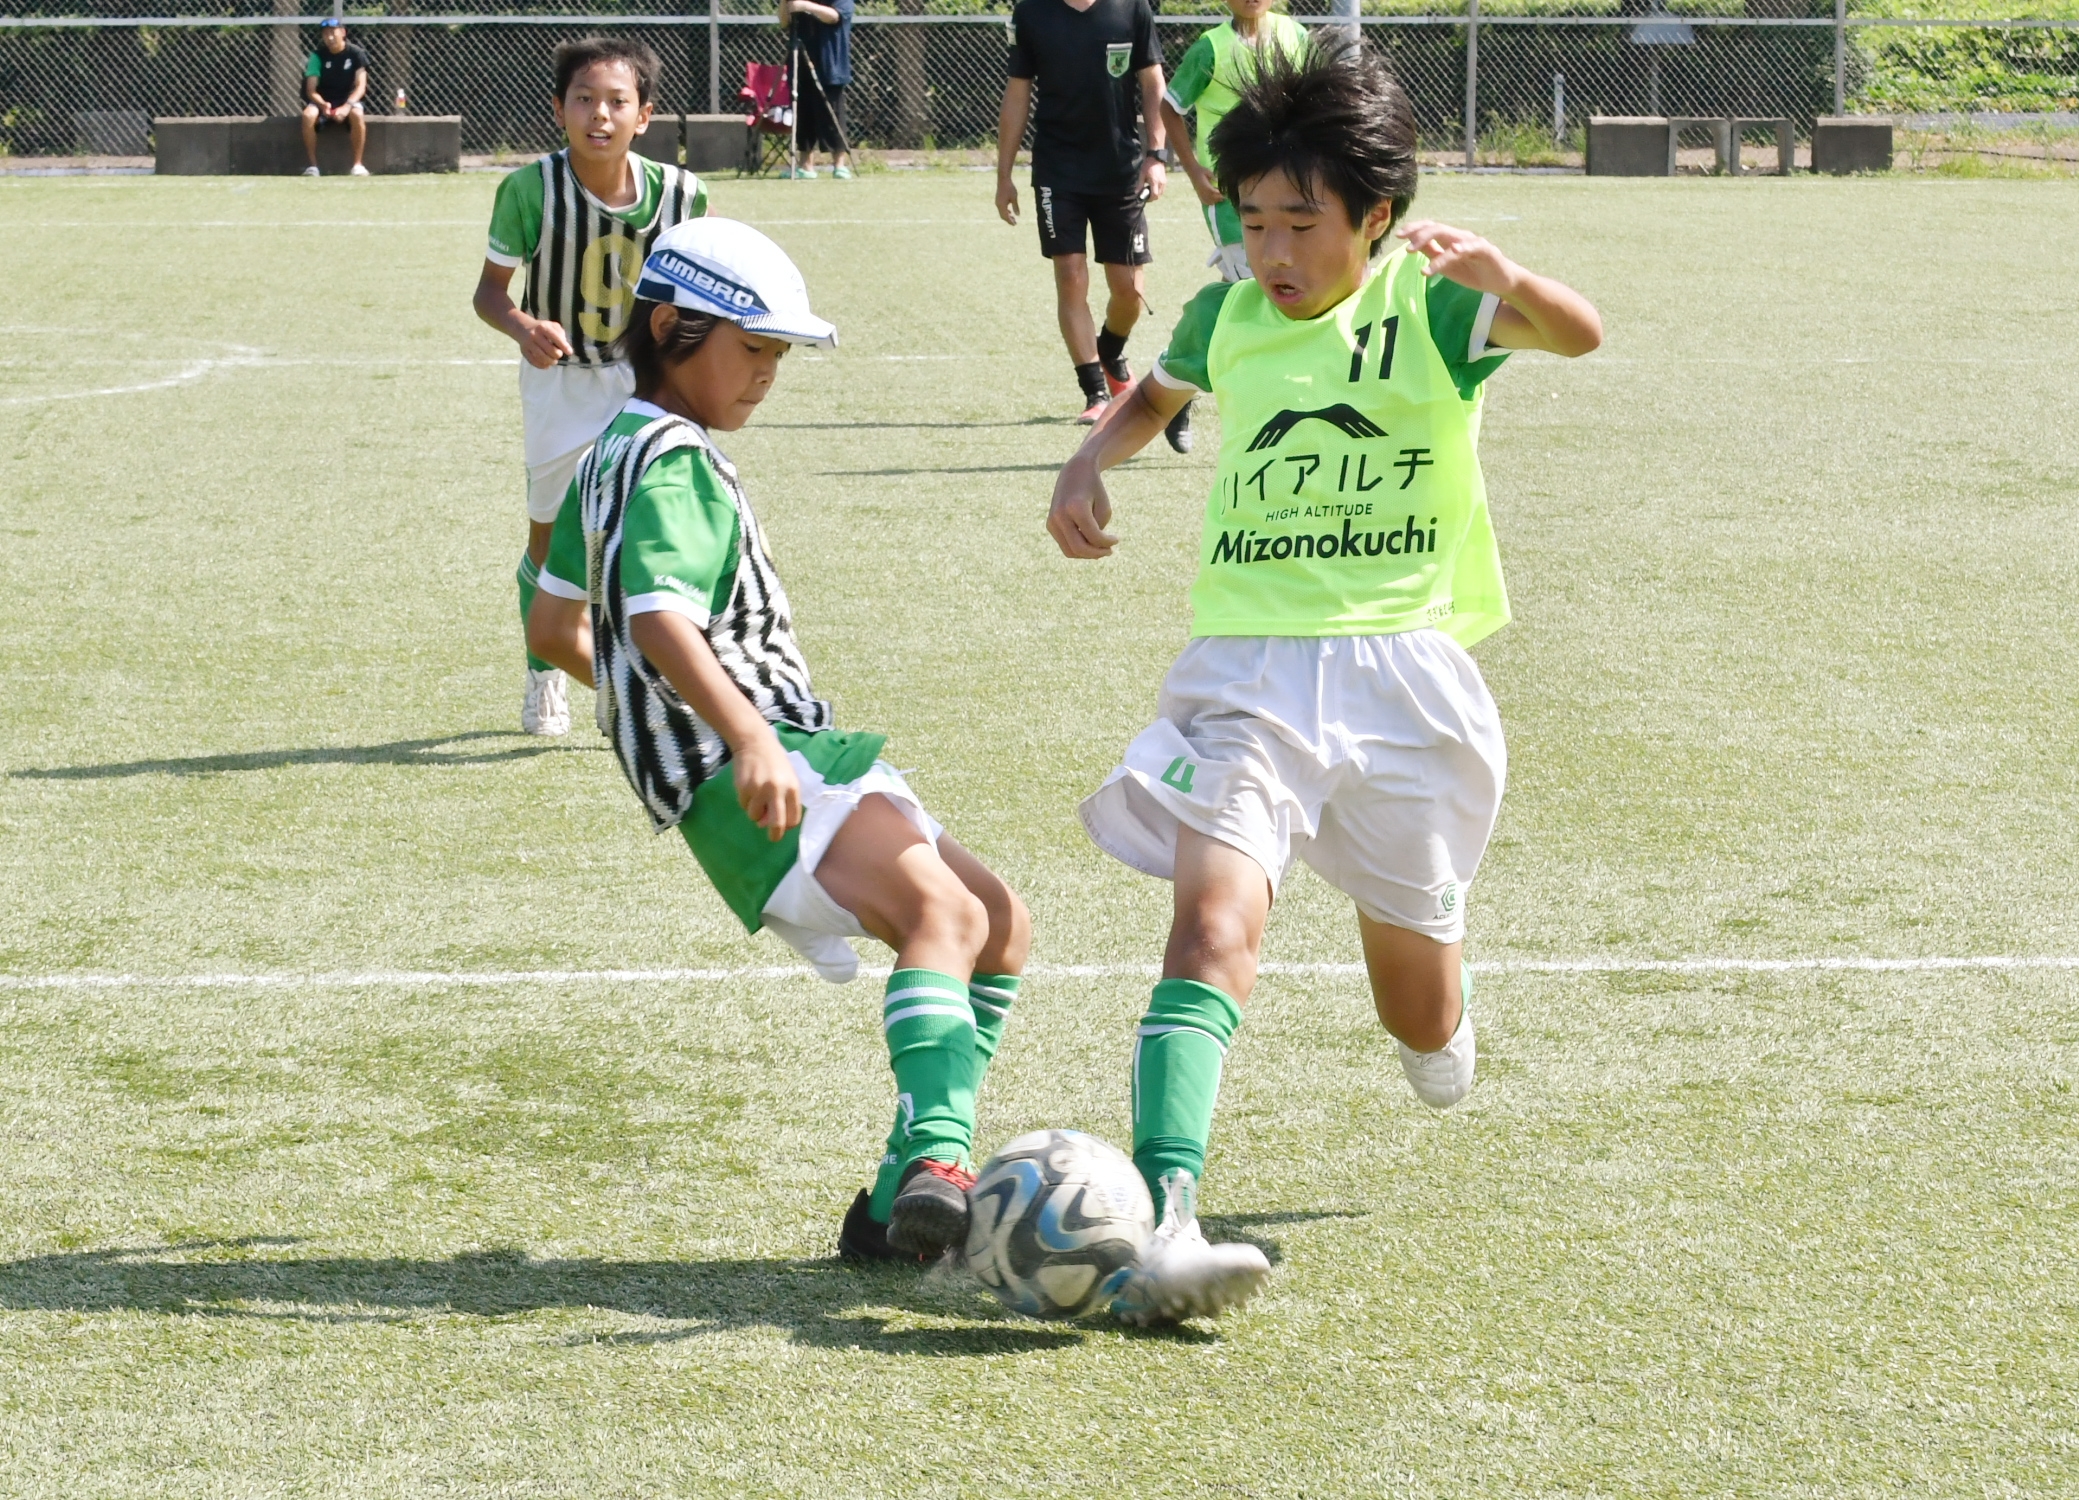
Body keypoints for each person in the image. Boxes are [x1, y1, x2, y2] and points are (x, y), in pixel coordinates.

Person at [1048, 42, 1602, 1324]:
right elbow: (1154, 397)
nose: (1275, 251)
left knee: (1422, 1017)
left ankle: (1436, 1009)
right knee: (1210, 928)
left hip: (1406, 682)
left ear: (1377, 217)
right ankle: (1168, 1220)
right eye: (1254, 222)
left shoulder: (1433, 306)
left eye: (1303, 223)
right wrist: (1087, 463)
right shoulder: (1226, 316)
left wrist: (1509, 279)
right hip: (1246, 673)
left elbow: (1581, 334)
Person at [524, 218, 1033, 1263]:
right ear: (669, 328)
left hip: (767, 762)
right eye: (751, 348)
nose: (766, 374)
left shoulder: (604, 455)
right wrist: (744, 735)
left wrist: (655, 711)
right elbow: (659, 620)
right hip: (765, 766)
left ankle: (891, 1206)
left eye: (778, 355)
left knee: (998, 922)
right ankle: (939, 1161)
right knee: (943, 913)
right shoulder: (675, 463)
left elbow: (553, 629)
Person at [472, 37, 708, 738]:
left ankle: (645, 678)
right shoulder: (529, 190)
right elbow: (489, 294)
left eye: (616, 102)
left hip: (648, 382)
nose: (599, 115)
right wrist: (523, 327)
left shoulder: (684, 196)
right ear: (558, 109)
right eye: (583, 99)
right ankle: (544, 670)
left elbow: (700, 292)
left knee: (651, 536)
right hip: (562, 384)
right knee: (551, 544)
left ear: (644, 115)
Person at [995, 0, 1168, 424]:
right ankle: (1095, 392)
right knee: (1070, 275)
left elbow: (1153, 83)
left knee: (1129, 290)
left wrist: (1156, 155)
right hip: (1058, 171)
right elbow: (1017, 93)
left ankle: (1109, 348)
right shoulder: (1032, 12)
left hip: (1121, 170)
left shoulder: (1131, 8)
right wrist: (1004, 175)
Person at [1153, 0, 1309, 453]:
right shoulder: (1210, 48)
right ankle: (1269, 411)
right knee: (1264, 299)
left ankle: (1177, 379)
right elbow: (1170, 107)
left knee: (1242, 298)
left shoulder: (1296, 37)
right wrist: (1194, 171)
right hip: (1231, 198)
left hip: (1288, 190)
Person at [780, 0, 854, 180]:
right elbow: (784, 22)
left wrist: (805, 5)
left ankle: (839, 165)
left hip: (829, 64)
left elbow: (835, 16)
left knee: (832, 115)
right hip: (801, 60)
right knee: (803, 115)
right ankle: (806, 166)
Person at [301, 18, 370, 178]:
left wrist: (346, 106)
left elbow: (361, 87)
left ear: (343, 32)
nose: (329, 37)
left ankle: (358, 165)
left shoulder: (356, 54)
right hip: (323, 100)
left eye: (333, 32)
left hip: (348, 100)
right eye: (325, 34)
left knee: (357, 114)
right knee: (308, 115)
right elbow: (311, 90)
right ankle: (313, 167)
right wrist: (323, 105)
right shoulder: (317, 56)